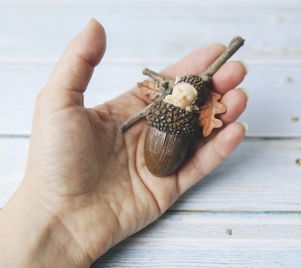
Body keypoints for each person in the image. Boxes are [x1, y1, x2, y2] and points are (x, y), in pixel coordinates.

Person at [0, 19, 248, 267]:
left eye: (186, 95)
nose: (181, 94)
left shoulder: (182, 115)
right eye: (180, 91)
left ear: (194, 104)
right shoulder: (168, 109)